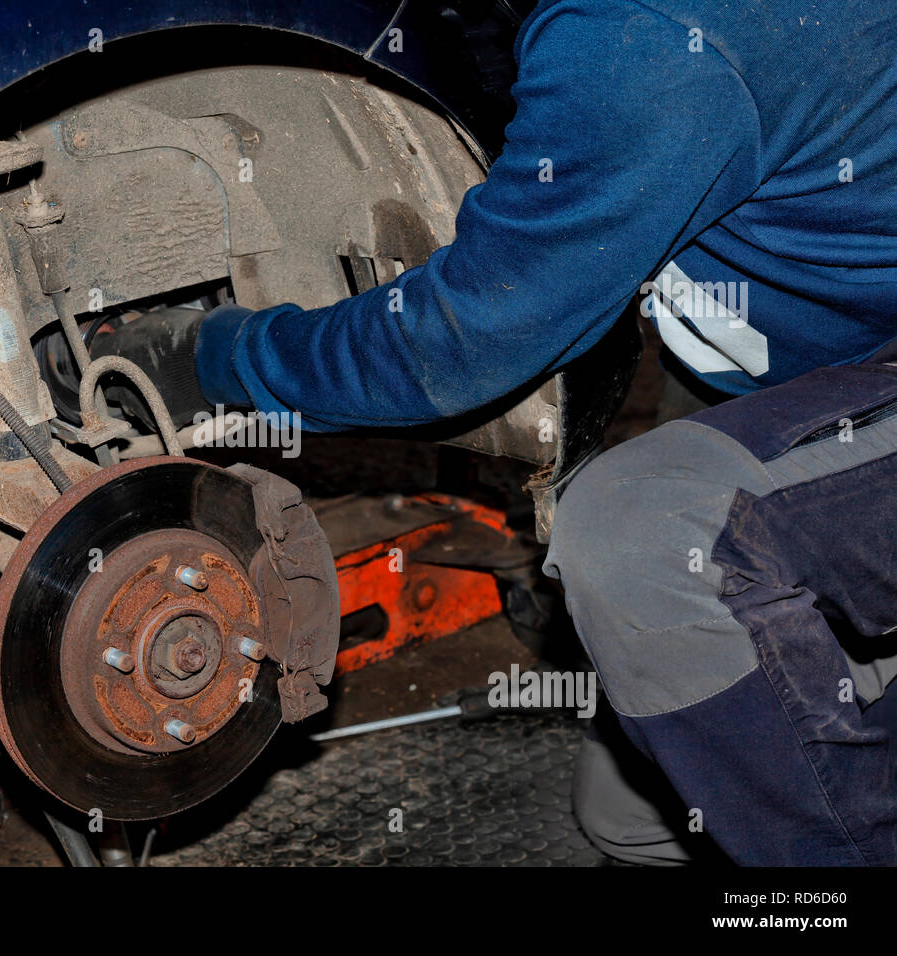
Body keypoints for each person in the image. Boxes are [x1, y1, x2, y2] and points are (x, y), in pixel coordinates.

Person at [91, 0, 897, 865]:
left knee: (639, 538)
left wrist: (208, 360)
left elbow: (458, 342)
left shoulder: (650, 36)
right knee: (639, 814)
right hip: (806, 364)